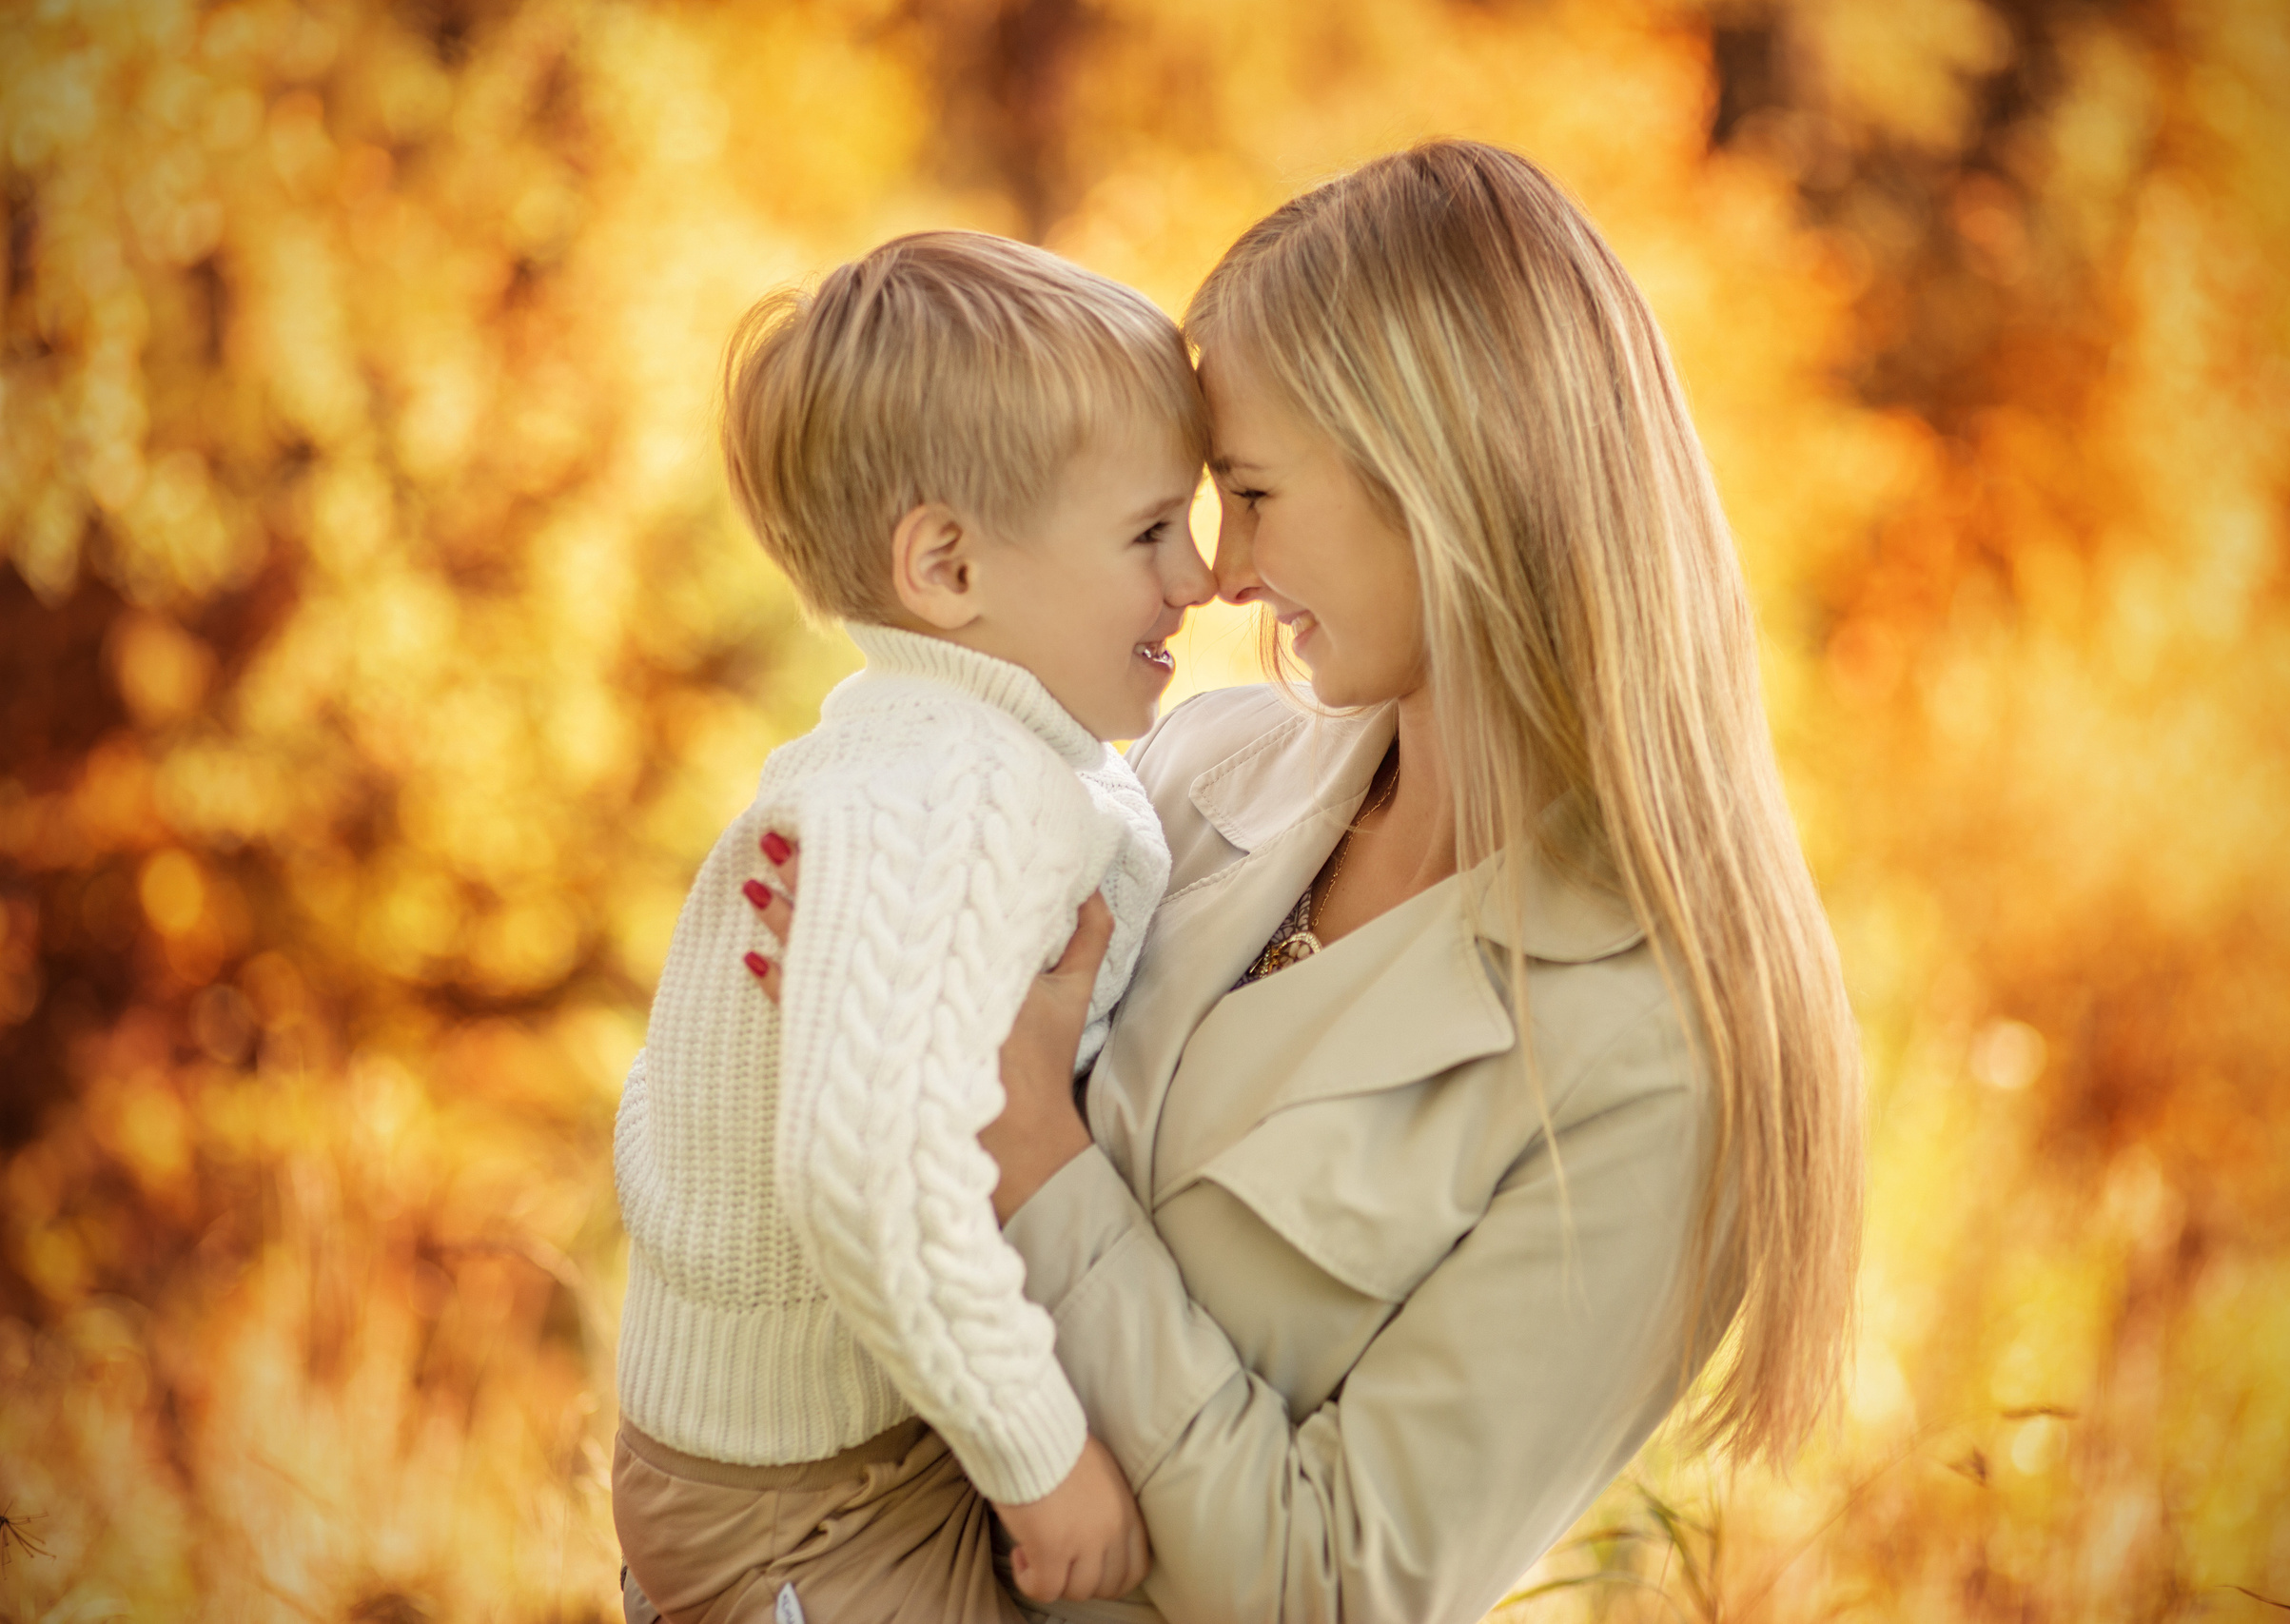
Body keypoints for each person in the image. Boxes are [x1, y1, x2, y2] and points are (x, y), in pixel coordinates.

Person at [752, 141, 1865, 1622]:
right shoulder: (1199, 771)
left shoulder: (1662, 1059)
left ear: (1446, 483)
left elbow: (1333, 1590)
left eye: (1254, 492)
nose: (1220, 570)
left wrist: (1036, 1152)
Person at [610, 229, 1219, 1624]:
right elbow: (865, 1167)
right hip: (809, 1507)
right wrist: (1041, 1458)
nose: (1194, 577)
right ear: (947, 566)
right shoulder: (958, 784)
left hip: (779, 1460)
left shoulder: (916, 747)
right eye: (1147, 532)